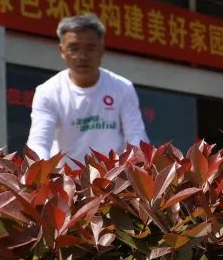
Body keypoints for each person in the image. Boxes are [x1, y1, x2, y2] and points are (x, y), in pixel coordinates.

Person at [25, 13, 149, 164]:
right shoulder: (47, 92)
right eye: (74, 48)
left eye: (90, 48)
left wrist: (133, 169)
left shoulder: (123, 88)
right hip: (65, 176)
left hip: (112, 176)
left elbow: (136, 135)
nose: (82, 56)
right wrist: (41, 173)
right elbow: (39, 142)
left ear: (101, 50)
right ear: (62, 51)